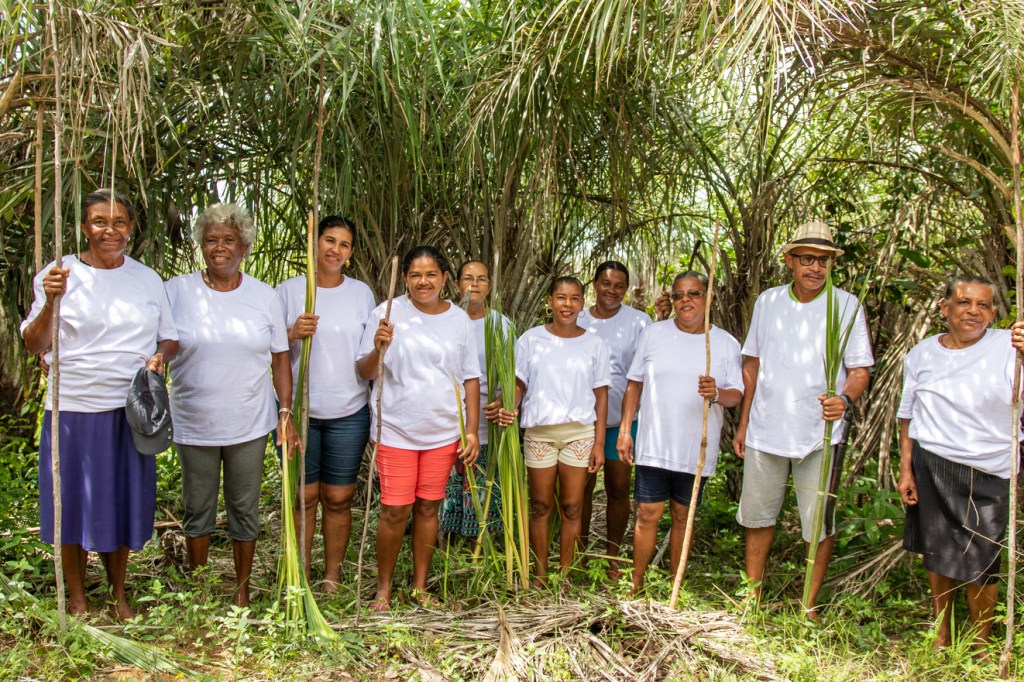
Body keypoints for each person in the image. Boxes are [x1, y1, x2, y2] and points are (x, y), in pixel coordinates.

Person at [21, 189, 179, 619]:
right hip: (73, 405)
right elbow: (35, 342)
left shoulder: (146, 278)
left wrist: (160, 357)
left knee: (124, 500)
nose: (110, 230)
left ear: (131, 227)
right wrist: (52, 300)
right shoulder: (59, 275)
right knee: (70, 502)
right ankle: (77, 596)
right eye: (99, 221)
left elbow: (170, 336)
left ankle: (117, 593)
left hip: (128, 408)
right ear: (84, 227)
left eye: (120, 221)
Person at [732, 220, 873, 618]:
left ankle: (808, 606)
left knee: (818, 524)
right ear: (790, 261)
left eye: (824, 261)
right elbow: (753, 363)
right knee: (759, 516)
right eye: (808, 259)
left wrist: (844, 399)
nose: (816, 268)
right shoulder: (768, 302)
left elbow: (860, 369)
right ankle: (751, 597)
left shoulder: (846, 305)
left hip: (820, 436)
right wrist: (743, 424)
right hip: (765, 430)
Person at [165, 203, 298, 607]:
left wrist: (285, 413)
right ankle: (201, 591)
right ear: (200, 246)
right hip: (195, 423)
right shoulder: (177, 291)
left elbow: (279, 358)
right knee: (197, 508)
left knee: (245, 509)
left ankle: (242, 591)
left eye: (228, 240)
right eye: (211, 240)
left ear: (244, 245)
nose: (219, 248)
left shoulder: (263, 296)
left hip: (249, 422)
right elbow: (158, 342)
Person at [898, 275, 1024, 651]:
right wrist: (907, 469)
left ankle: (980, 642)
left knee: (983, 558)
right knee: (938, 551)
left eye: (983, 305)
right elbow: (908, 414)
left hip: (991, 467)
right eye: (965, 302)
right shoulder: (921, 353)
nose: (973, 312)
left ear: (994, 313)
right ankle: (941, 636)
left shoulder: (1010, 345)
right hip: (933, 461)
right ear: (945, 308)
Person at [356, 245, 480, 610]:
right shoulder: (388, 313)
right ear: (405, 278)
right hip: (396, 429)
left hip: (443, 431)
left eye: (431, 275)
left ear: (445, 279)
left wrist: (470, 430)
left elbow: (471, 377)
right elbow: (363, 372)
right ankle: (383, 588)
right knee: (395, 509)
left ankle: (420, 586)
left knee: (429, 508)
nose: (423, 281)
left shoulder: (459, 320)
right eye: (414, 275)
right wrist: (378, 348)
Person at [618, 271, 742, 594]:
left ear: (709, 297)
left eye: (694, 294)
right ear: (671, 300)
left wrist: (716, 392)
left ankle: (675, 587)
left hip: (695, 449)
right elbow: (634, 383)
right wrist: (625, 430)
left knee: (682, 515)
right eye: (679, 295)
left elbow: (736, 396)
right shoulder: (654, 334)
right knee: (647, 513)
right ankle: (637, 583)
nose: (685, 301)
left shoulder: (725, 344)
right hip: (655, 442)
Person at [276, 215, 375, 590]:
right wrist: (292, 333)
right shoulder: (288, 290)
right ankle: (299, 576)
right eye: (329, 240)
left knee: (339, 497)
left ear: (350, 253)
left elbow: (369, 356)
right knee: (304, 497)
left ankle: (332, 576)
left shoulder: (361, 294)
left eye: (344, 245)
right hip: (299, 411)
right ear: (314, 243)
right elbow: (270, 351)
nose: (336, 250)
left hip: (348, 410)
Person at [497, 276, 610, 584]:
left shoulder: (594, 343)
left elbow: (601, 395)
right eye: (561, 298)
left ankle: (566, 575)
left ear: (582, 303)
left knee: (572, 507)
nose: (568, 304)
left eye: (574, 298)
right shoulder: (531, 339)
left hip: (579, 434)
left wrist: (599, 444)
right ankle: (540, 574)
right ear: (549, 301)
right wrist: (510, 405)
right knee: (540, 506)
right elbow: (519, 383)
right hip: (540, 434)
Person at [576, 261, 650, 578]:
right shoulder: (577, 317)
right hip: (581, 420)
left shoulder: (639, 322)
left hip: (622, 421)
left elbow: (642, 374)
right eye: (606, 283)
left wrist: (626, 428)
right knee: (580, 489)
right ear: (594, 284)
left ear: (626, 288)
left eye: (619, 285)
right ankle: (577, 555)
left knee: (618, 489)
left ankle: (613, 558)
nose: (612, 290)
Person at [440, 260, 508, 542]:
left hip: (485, 421)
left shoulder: (500, 324)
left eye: (481, 279)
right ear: (456, 285)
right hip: (445, 419)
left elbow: (514, 373)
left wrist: (504, 399)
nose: (475, 284)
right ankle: (444, 542)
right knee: (447, 486)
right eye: (468, 278)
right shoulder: (445, 320)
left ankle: (478, 544)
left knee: (482, 483)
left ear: (489, 286)